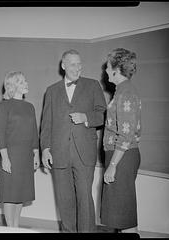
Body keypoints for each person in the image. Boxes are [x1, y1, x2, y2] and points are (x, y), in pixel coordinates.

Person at [40, 49, 107, 232]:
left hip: (84, 153)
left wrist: (86, 117)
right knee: (64, 200)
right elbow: (46, 123)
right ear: (63, 66)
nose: (78, 68)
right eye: (73, 64)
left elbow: (102, 115)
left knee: (84, 198)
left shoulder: (92, 85)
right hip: (59, 153)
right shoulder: (52, 91)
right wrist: (45, 149)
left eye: (79, 64)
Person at [100, 48, 141, 233]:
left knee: (125, 217)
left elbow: (126, 133)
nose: (106, 71)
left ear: (116, 69)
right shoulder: (121, 90)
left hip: (121, 158)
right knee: (120, 215)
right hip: (120, 156)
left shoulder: (126, 93)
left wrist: (113, 164)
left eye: (108, 67)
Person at [0, 71, 40, 227]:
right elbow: (0, 134)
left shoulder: (30, 107)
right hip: (11, 155)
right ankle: (10, 228)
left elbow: (34, 132)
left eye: (25, 80)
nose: (26, 83)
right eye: (21, 82)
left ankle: (15, 226)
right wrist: (5, 158)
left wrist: (36, 154)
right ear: (12, 86)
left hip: (26, 156)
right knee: (10, 194)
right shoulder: (4, 106)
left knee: (20, 193)